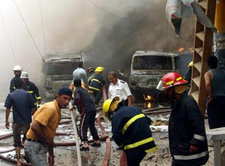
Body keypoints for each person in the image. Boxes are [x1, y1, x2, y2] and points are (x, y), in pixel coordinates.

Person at [157, 72, 208, 166]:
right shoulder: (179, 103)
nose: (166, 93)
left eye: (167, 90)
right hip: (182, 154)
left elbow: (199, 127)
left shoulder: (188, 104)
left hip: (189, 157)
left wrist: (194, 144)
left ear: (174, 89)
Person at [24, 86, 72, 166]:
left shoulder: (57, 111)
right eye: (65, 98)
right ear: (57, 96)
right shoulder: (51, 109)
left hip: (40, 145)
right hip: (34, 145)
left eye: (69, 99)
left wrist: (51, 155)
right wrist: (48, 141)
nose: (67, 101)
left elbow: (50, 133)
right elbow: (35, 126)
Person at [102, 97, 157, 166]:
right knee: (133, 162)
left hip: (135, 145)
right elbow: (148, 120)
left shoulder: (116, 116)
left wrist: (122, 146)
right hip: (149, 141)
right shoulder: (132, 109)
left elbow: (116, 136)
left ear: (111, 111)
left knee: (130, 163)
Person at [5, 77, 35, 166]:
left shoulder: (11, 95)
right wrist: (31, 116)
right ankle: (26, 155)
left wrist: (6, 121)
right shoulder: (28, 95)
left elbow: (8, 108)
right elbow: (33, 108)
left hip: (16, 122)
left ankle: (18, 161)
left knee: (16, 142)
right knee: (27, 139)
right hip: (26, 121)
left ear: (14, 86)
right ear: (22, 85)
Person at [96, 71, 133, 139]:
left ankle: (126, 135)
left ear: (116, 77)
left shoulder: (123, 84)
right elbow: (109, 98)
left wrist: (129, 107)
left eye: (112, 78)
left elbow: (129, 95)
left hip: (122, 104)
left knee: (124, 121)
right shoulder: (110, 86)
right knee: (114, 120)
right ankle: (115, 135)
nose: (111, 80)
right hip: (113, 106)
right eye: (109, 79)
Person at [73, 79, 101, 150]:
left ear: (74, 85)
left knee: (83, 126)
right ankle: (96, 140)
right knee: (91, 125)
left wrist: (73, 105)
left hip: (86, 110)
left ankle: (85, 144)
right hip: (93, 109)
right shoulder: (84, 90)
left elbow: (77, 98)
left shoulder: (77, 90)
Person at [204, 55, 225, 129]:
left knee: (214, 121)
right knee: (223, 121)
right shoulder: (223, 72)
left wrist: (210, 96)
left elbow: (208, 84)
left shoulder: (208, 74)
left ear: (208, 64)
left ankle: (216, 139)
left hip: (215, 99)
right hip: (224, 99)